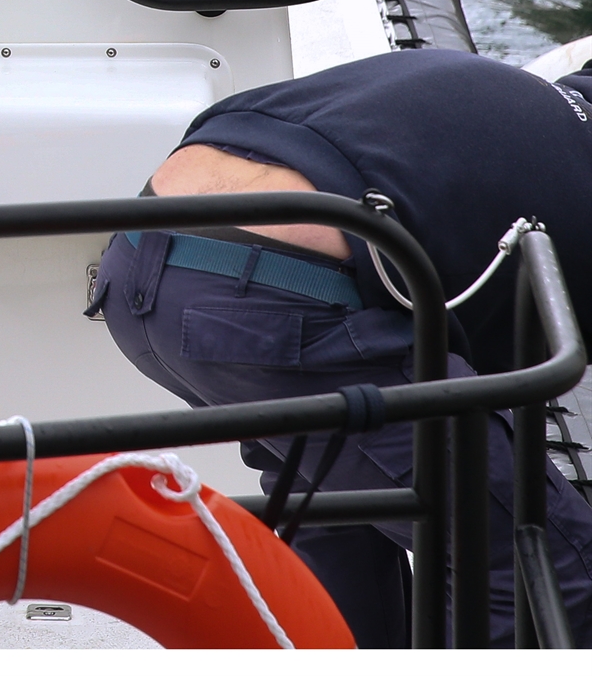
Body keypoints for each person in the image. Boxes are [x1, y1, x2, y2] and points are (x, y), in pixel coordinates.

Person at [90, 47, 592, 647]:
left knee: (333, 511)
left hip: (138, 263)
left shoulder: (521, 107)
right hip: (272, 305)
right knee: (532, 556)